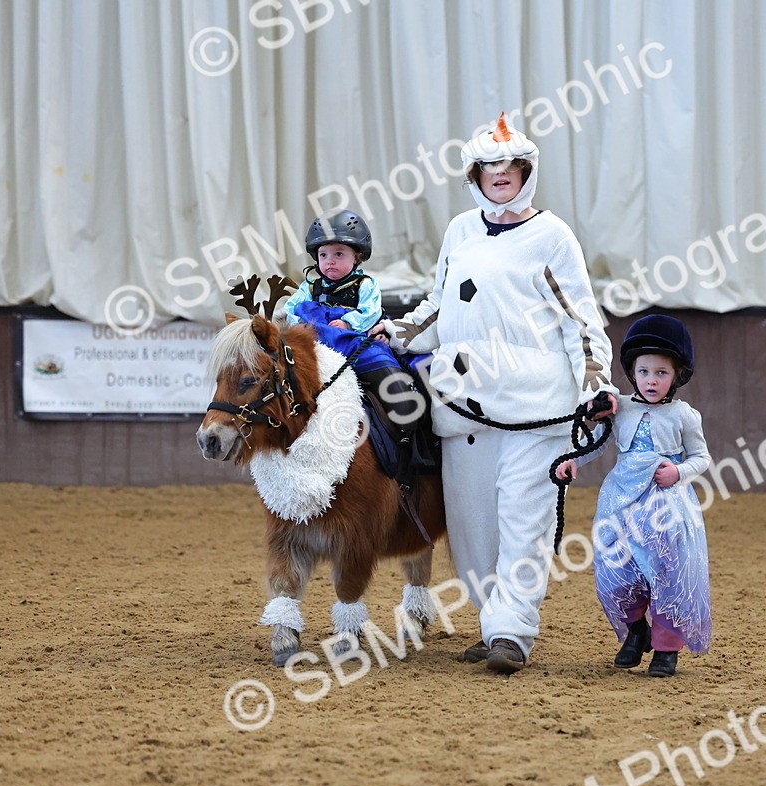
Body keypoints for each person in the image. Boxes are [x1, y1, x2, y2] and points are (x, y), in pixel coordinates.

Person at [371, 114, 618, 674]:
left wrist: (596, 382)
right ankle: (490, 618)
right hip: (461, 404)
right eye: (488, 167)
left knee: (522, 520)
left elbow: (582, 321)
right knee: (471, 526)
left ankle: (513, 630)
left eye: (509, 167)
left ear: (527, 173)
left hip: (536, 408)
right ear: (474, 175)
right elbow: (439, 304)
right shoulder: (460, 230)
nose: (499, 175)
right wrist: (400, 330)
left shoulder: (553, 236)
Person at [555, 314, 712, 678]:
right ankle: (636, 629)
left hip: (665, 503)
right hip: (620, 501)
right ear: (632, 372)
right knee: (615, 566)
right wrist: (573, 459)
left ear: (676, 377)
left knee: (668, 568)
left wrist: (679, 472)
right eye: (644, 372)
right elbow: (599, 441)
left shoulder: (684, 415)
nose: (651, 380)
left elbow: (701, 457)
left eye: (661, 373)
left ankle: (667, 647)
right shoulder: (620, 408)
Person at [278, 210, 421, 437]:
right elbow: (291, 310)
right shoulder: (310, 286)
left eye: (339, 254)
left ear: (357, 256)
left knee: (390, 375)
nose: (329, 261)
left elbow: (371, 312)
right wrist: (299, 327)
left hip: (356, 343)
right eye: (323, 255)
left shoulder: (365, 284)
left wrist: (347, 323)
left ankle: (406, 425)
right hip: (317, 344)